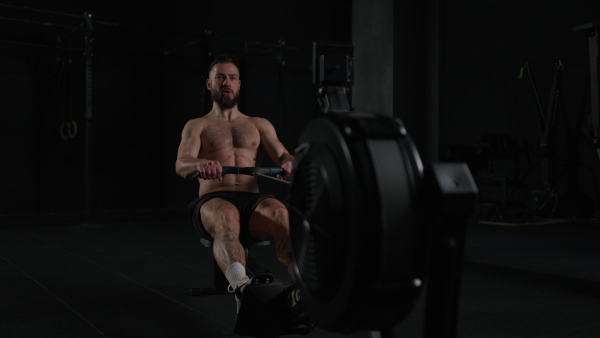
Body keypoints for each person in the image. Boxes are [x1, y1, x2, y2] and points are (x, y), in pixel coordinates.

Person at [175, 55, 295, 309]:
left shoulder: (259, 124)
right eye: (219, 77)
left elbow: (283, 154)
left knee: (283, 216)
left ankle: (303, 285)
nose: (226, 82)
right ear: (210, 84)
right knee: (227, 216)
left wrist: (288, 163)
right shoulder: (197, 125)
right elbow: (181, 163)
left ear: (239, 84)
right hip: (213, 200)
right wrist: (199, 164)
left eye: (231, 77)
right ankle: (244, 291)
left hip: (253, 201)